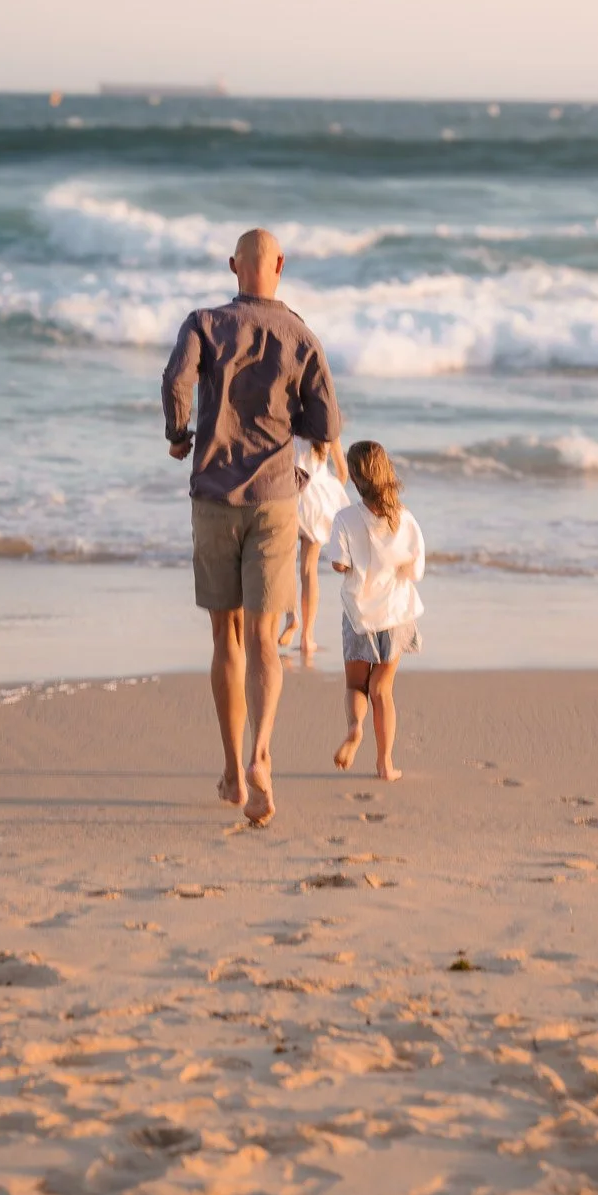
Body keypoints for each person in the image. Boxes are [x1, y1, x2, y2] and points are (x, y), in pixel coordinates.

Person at [162, 226, 341, 827]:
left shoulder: (204, 323)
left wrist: (178, 434)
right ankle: (264, 751)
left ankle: (234, 770)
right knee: (268, 640)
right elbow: (326, 423)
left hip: (214, 495)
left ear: (233, 266)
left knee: (226, 637)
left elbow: (175, 381)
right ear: (280, 266)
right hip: (273, 499)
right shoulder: (300, 336)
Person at [327, 440, 425, 781]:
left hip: (359, 617)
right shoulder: (405, 520)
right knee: (382, 690)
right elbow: (415, 570)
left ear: (353, 476)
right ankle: (385, 765)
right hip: (395, 615)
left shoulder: (344, 518)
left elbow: (338, 564)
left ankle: (355, 729)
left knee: (356, 687)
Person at [279, 436, 351, 657]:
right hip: (318, 498)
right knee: (309, 570)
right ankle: (308, 637)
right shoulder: (327, 429)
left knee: (284, 562)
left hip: (292, 491)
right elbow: (343, 472)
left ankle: (291, 616)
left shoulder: (289, 422)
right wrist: (329, 489)